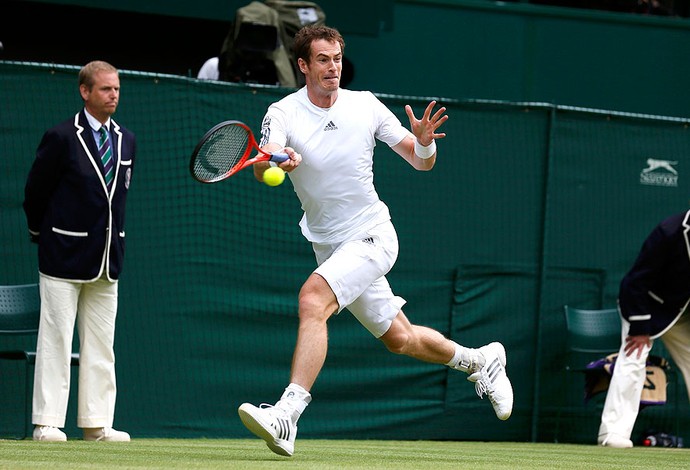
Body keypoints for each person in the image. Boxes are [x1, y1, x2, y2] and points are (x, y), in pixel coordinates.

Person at [237, 25, 513, 457]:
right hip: (327, 242)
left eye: (338, 58)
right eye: (323, 60)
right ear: (304, 65)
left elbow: (421, 163)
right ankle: (479, 361)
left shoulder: (365, 106)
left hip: (372, 234)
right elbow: (263, 161)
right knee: (399, 339)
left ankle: (287, 414)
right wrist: (277, 160)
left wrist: (423, 144)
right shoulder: (283, 112)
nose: (333, 67)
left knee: (313, 300)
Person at [23, 60, 136, 442]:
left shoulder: (127, 140)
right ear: (85, 92)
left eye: (116, 88)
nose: (113, 94)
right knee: (55, 341)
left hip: (107, 260)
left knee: (102, 346)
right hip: (61, 256)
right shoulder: (60, 137)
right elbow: (35, 193)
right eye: (105, 89)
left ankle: (96, 423)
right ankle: (47, 423)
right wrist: (42, 233)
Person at [598, 209, 690, 448]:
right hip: (646, 305)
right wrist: (639, 328)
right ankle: (612, 434)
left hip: (683, 311)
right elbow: (635, 282)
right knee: (633, 359)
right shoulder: (669, 232)